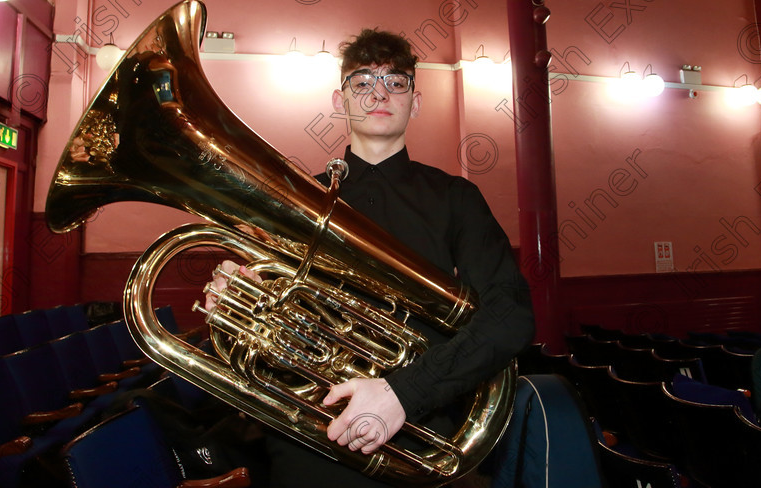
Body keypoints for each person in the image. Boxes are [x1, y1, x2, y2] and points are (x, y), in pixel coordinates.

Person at [204, 29, 535, 487]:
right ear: (340, 100)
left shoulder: (456, 198)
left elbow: (511, 314)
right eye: (362, 82)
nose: (379, 93)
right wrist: (236, 311)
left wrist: (404, 393)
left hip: (420, 434)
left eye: (396, 82)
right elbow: (263, 347)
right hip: (309, 433)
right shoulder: (297, 201)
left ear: (414, 103)